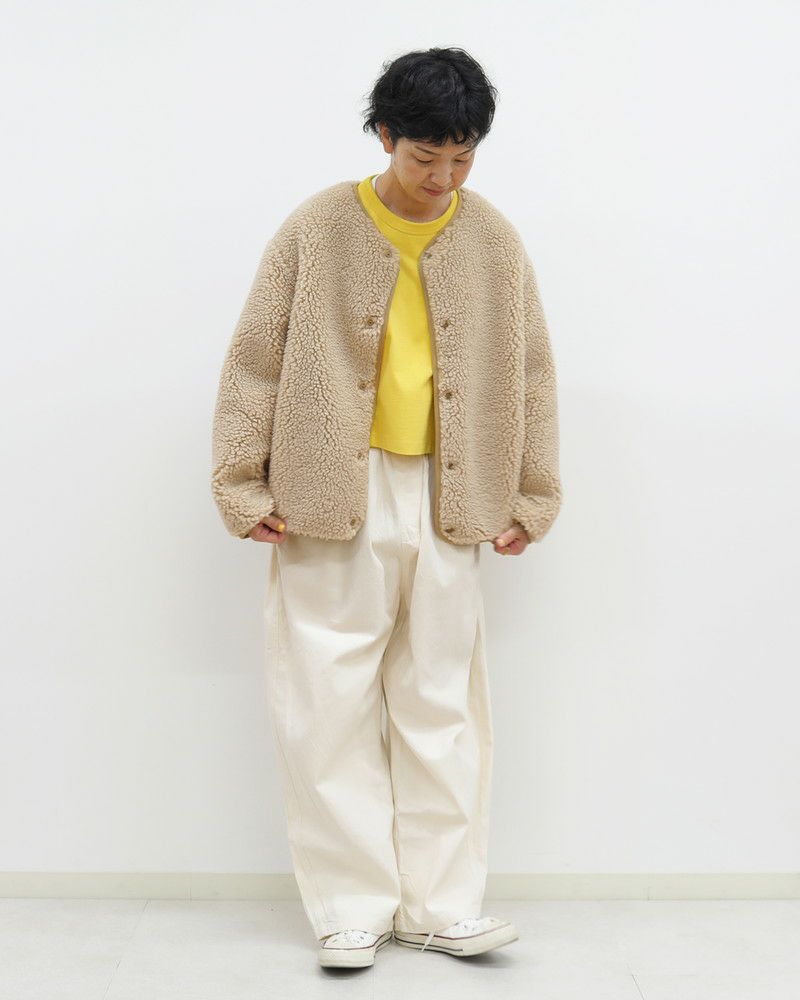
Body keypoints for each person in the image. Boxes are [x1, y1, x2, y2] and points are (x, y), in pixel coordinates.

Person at [210, 46, 562, 970]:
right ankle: (350, 908)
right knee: (325, 700)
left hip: (454, 491)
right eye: (424, 157)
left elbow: (531, 370)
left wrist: (533, 493)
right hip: (331, 489)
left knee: (441, 701)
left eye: (462, 158)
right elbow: (255, 358)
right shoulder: (318, 226)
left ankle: (443, 906)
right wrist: (240, 484)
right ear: (384, 135)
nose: (442, 178)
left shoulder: (493, 239)